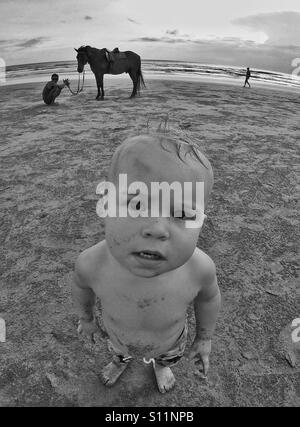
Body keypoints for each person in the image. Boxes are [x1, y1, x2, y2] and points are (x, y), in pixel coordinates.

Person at [72, 132, 221, 393]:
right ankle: (120, 361)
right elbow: (81, 287)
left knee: (168, 356)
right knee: (118, 351)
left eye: (182, 213)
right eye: (138, 205)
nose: (157, 229)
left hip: (171, 340)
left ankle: (162, 365)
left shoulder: (199, 269)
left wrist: (204, 337)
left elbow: (208, 299)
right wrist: (86, 319)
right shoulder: (92, 263)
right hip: (117, 335)